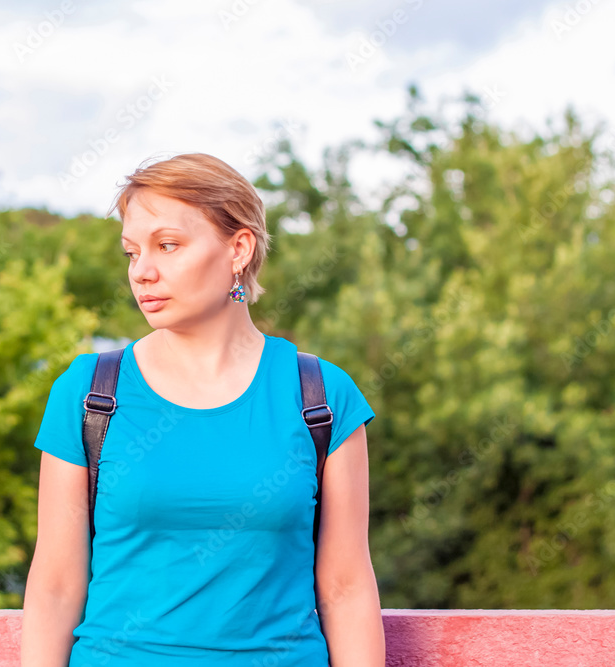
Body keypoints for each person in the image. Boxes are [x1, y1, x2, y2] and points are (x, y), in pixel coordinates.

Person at [20, 153, 385, 666]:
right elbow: (55, 586)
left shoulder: (321, 396)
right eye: (131, 252)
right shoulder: (88, 394)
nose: (142, 272)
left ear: (239, 248)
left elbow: (346, 589)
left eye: (167, 246)